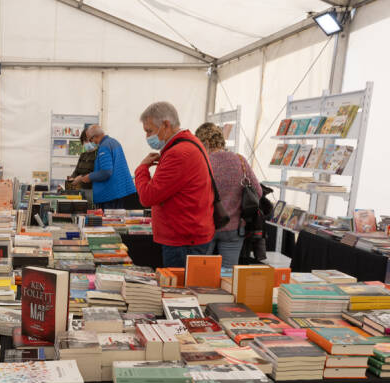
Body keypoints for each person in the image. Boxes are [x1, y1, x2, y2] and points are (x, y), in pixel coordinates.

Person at [134, 101, 215, 268]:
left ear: (165, 125)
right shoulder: (188, 144)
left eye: (149, 131)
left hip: (182, 240)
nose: (147, 137)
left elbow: (147, 196)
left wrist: (141, 169)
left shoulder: (178, 153)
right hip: (186, 235)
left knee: (178, 290)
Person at [194, 121, 261, 269]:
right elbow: (258, 191)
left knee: (201, 272)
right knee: (228, 275)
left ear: (203, 142)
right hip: (234, 228)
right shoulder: (240, 160)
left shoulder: (201, 163)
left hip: (206, 227)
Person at [72, 125, 137, 209]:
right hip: (119, 192)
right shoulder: (114, 142)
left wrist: (89, 177)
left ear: (95, 136)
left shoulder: (104, 147)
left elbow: (106, 172)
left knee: (108, 220)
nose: (91, 142)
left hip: (110, 194)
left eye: (90, 139)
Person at [64, 128, 97, 193]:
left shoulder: (99, 154)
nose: (87, 143)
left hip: (93, 190)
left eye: (88, 141)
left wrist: (81, 177)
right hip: (81, 189)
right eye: (85, 141)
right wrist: (72, 178)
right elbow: (76, 171)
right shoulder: (83, 155)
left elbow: (98, 173)